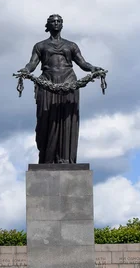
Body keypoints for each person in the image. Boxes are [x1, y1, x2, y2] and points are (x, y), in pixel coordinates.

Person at [18, 14, 103, 164]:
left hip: (69, 82)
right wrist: (26, 70)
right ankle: (47, 158)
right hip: (48, 83)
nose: (56, 23)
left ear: (62, 25)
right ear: (48, 25)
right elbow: (32, 64)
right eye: (53, 22)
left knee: (68, 120)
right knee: (46, 121)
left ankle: (66, 158)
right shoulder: (40, 45)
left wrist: (93, 68)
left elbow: (83, 63)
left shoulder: (71, 45)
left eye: (59, 21)